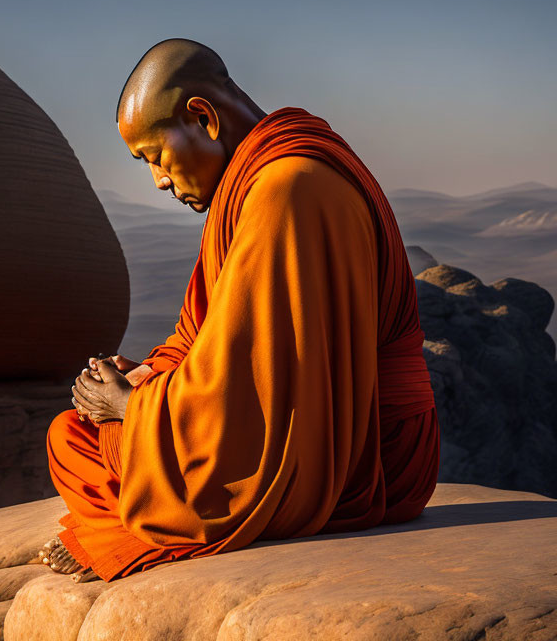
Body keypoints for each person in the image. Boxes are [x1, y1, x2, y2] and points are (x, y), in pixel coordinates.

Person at [39, 38, 440, 583]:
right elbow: (215, 345)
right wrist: (146, 377)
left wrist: (135, 411)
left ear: (202, 118)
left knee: (80, 446)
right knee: (74, 434)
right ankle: (134, 510)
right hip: (333, 431)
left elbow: (257, 389)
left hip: (365, 457)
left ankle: (124, 533)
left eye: (154, 156)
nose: (158, 180)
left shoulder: (286, 189)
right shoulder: (262, 181)